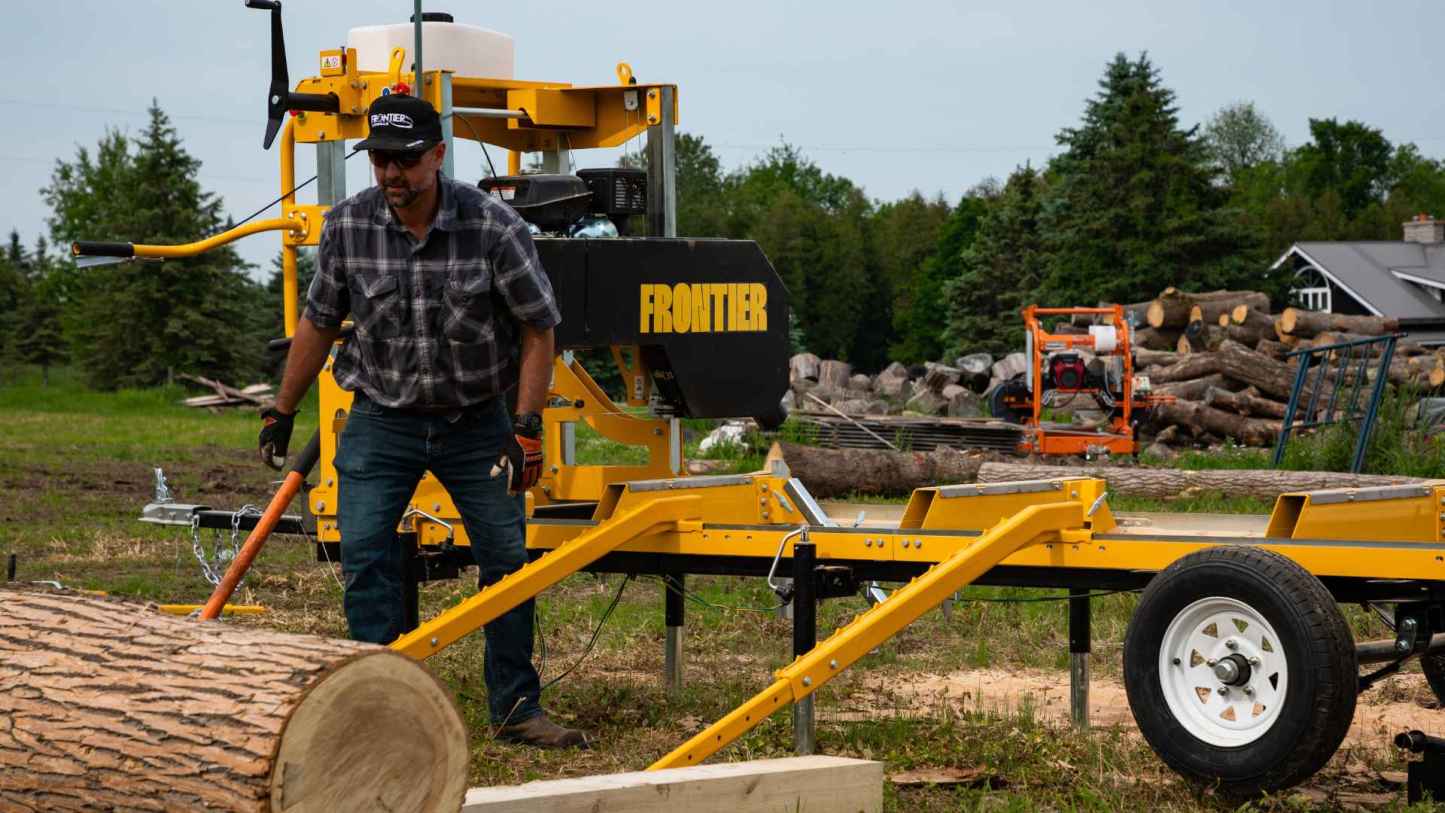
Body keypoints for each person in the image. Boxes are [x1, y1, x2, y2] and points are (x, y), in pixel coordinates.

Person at [257, 93, 584, 748]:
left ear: (437, 155)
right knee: (364, 553)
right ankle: (379, 710)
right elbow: (318, 322)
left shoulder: (492, 227)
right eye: (379, 160)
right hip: (382, 417)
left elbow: (538, 329)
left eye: (404, 160)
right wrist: (281, 409)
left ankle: (516, 708)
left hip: (477, 421)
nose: (391, 174)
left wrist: (525, 427)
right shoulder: (348, 226)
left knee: (506, 559)